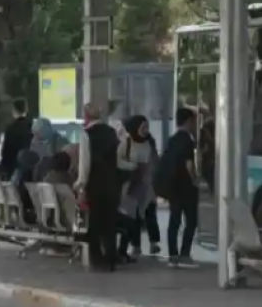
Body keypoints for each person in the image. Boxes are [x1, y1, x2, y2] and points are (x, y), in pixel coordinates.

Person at [76, 103, 122, 271]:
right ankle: (111, 258)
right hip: (112, 184)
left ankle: (97, 259)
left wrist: (81, 186)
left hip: (95, 185)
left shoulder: (86, 135)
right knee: (109, 224)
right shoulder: (112, 133)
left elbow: (84, 165)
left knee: (94, 223)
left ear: (86, 116)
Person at [155, 107, 200, 268]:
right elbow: (189, 165)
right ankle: (184, 253)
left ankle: (173, 254)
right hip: (186, 187)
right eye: (193, 121)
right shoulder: (188, 141)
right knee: (191, 221)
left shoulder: (171, 140)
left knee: (174, 221)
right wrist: (195, 180)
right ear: (188, 121)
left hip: (173, 187)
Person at [116, 115, 157, 261]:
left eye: (147, 127)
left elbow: (154, 162)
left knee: (145, 214)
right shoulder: (126, 142)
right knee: (130, 217)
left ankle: (146, 243)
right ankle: (131, 246)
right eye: (142, 127)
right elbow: (118, 160)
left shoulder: (150, 142)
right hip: (131, 186)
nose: (145, 130)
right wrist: (132, 167)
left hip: (146, 185)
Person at [0, 99, 33, 181]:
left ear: (14, 110)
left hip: (13, 170)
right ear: (26, 110)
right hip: (29, 171)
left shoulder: (10, 129)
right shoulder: (32, 127)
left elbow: (5, 152)